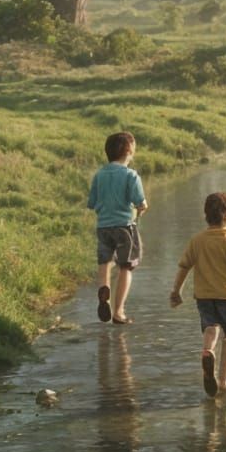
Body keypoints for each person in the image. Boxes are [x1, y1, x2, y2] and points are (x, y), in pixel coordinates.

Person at [170, 190, 226, 397]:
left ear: (206, 214)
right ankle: (223, 379)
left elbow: (184, 266)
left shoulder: (197, 240)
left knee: (211, 327)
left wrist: (176, 291)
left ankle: (207, 351)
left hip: (204, 296)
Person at [88, 131, 147, 324]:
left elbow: (93, 202)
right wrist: (141, 209)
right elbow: (140, 202)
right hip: (124, 227)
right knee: (126, 266)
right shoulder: (131, 175)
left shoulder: (99, 175)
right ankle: (118, 311)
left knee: (105, 261)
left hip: (103, 226)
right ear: (129, 151)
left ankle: (104, 288)